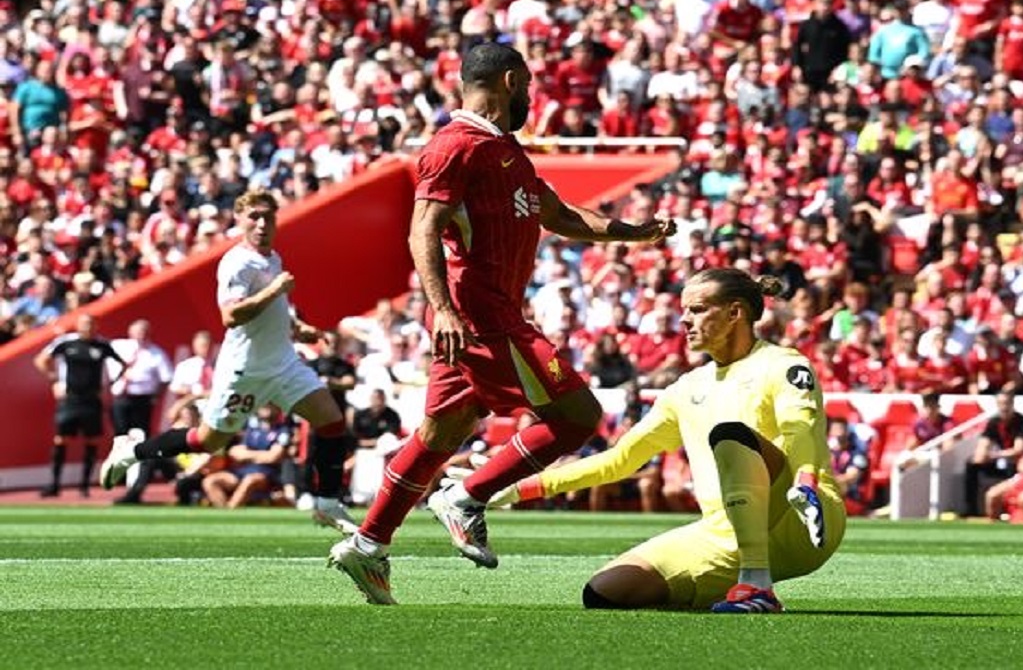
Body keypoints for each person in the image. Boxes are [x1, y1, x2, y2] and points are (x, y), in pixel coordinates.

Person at [329, 42, 675, 601]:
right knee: (577, 416)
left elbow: (560, 216)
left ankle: (368, 545)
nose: (534, 97)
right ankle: (465, 496)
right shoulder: (454, 147)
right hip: (479, 315)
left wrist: (632, 233)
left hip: (482, 314)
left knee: (440, 433)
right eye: (531, 86)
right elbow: (422, 229)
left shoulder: (506, 151)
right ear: (511, 81)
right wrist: (443, 309)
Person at [453, 270, 844, 612]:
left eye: (696, 309)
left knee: (730, 435)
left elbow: (800, 428)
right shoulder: (686, 388)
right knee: (606, 593)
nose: (684, 320)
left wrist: (806, 478)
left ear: (735, 313)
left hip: (801, 518)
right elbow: (620, 460)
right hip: (723, 531)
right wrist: (517, 488)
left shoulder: (783, 364)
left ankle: (757, 587)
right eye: (684, 309)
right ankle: (734, 585)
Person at [99, 190, 357, 534]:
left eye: (268, 217)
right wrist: (275, 291)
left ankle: (327, 503)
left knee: (332, 422)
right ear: (239, 219)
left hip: (283, 364)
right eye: (254, 216)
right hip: (245, 371)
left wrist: (297, 329)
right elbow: (231, 315)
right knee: (208, 442)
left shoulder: (272, 258)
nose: (262, 223)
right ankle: (133, 449)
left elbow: (270, 312)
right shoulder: (236, 262)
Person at [33, 313, 126, 497]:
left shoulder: (102, 345)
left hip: (91, 400)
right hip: (70, 399)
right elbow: (41, 360)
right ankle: (54, 484)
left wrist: (109, 384)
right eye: (84, 324)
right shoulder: (66, 343)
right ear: (77, 326)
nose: (88, 328)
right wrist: (54, 381)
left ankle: (84, 486)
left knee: (91, 441)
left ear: (96, 327)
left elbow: (122, 365)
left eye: (91, 324)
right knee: (61, 439)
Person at [962, 391, 1023, 517]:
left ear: (1012, 404)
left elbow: (1018, 450)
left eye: (1006, 403)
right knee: (972, 464)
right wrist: (982, 455)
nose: (1003, 407)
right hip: (1002, 460)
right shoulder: (994, 423)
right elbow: (983, 444)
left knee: (1015, 465)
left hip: (1019, 463)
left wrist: (995, 455)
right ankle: (971, 509)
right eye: (1000, 404)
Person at [108, 319, 174, 436]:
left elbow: (166, 378)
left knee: (140, 432)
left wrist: (156, 396)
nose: (141, 335)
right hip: (120, 396)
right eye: (138, 332)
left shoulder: (157, 353)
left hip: (142, 399)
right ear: (130, 332)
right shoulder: (119, 346)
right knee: (120, 432)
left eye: (144, 332)